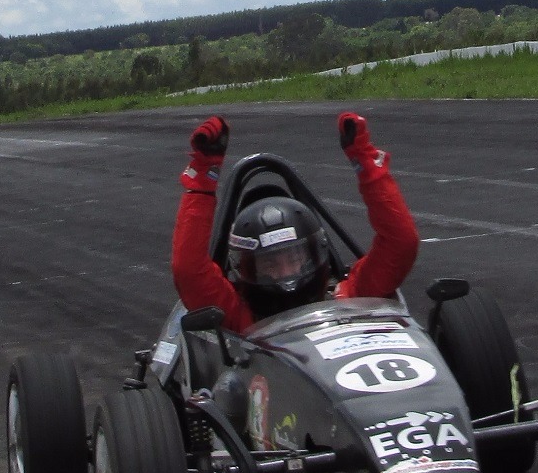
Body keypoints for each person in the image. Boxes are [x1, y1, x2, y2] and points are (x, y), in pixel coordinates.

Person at [171, 112, 420, 332]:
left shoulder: (348, 297)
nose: (286, 275)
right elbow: (188, 269)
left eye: (294, 259)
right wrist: (203, 175)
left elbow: (402, 243)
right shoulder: (240, 319)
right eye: (270, 265)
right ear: (244, 270)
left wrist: (365, 160)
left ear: (315, 253)